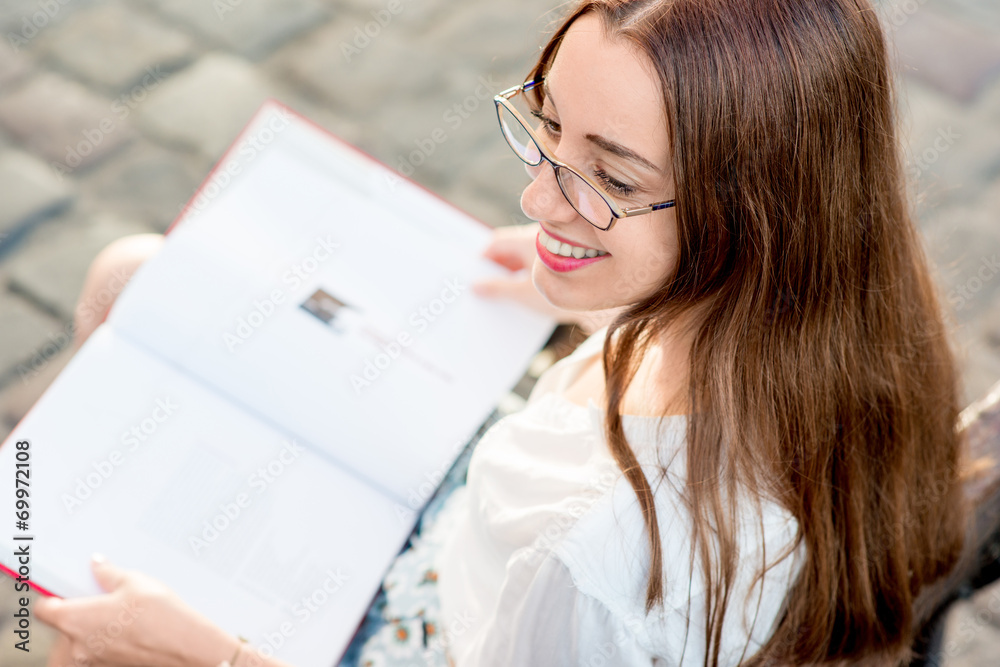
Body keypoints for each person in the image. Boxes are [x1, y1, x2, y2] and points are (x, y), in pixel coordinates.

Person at [35, 0, 969, 665]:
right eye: (550, 128)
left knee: (87, 627)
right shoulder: (839, 312)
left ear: (749, 215)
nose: (537, 197)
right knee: (134, 274)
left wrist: (206, 654)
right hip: (484, 536)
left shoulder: (589, 562)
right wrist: (596, 276)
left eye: (611, 179)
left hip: (443, 620)